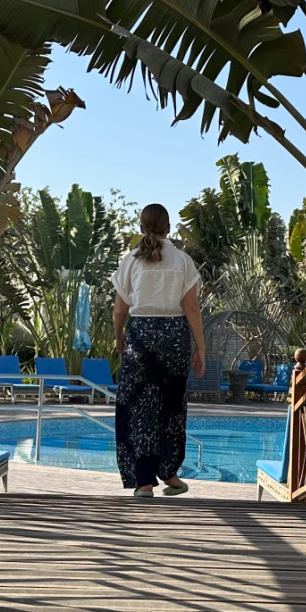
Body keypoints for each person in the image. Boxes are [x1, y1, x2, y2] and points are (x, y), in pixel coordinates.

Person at [111, 203, 206, 499]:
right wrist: (200, 347)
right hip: (174, 337)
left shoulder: (130, 261)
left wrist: (119, 337)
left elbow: (118, 311)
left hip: (140, 336)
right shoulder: (183, 261)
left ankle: (143, 482)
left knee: (136, 407)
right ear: (168, 227)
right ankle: (170, 474)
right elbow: (191, 307)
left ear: (142, 227)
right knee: (171, 406)